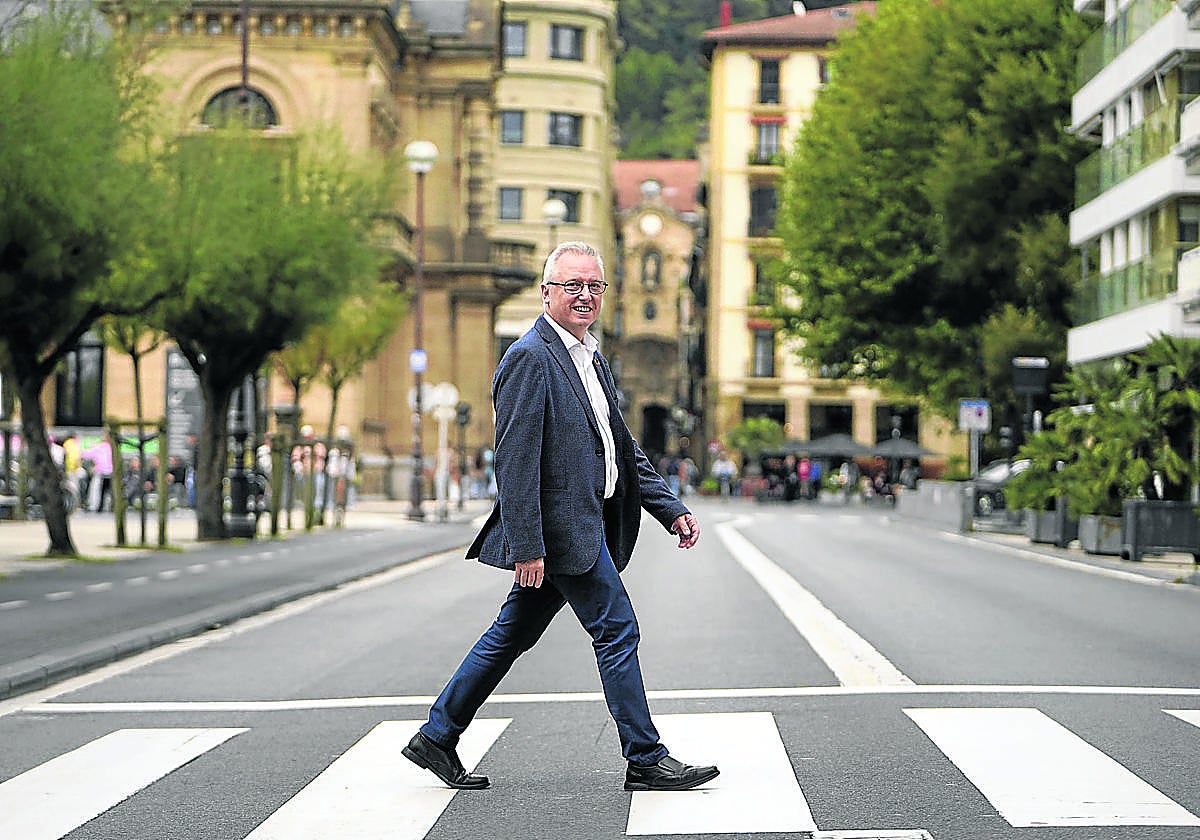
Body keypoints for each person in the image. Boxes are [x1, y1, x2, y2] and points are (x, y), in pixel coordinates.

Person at [403, 241, 718, 793]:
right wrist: (527, 545)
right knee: (617, 628)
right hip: (561, 530)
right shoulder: (528, 357)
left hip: (582, 524)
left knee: (511, 634)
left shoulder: (591, 357)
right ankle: (645, 757)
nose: (585, 295)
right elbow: (516, 460)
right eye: (572, 285)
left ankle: (437, 734)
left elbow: (618, 445)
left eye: (594, 286)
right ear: (546, 291)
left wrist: (670, 509)